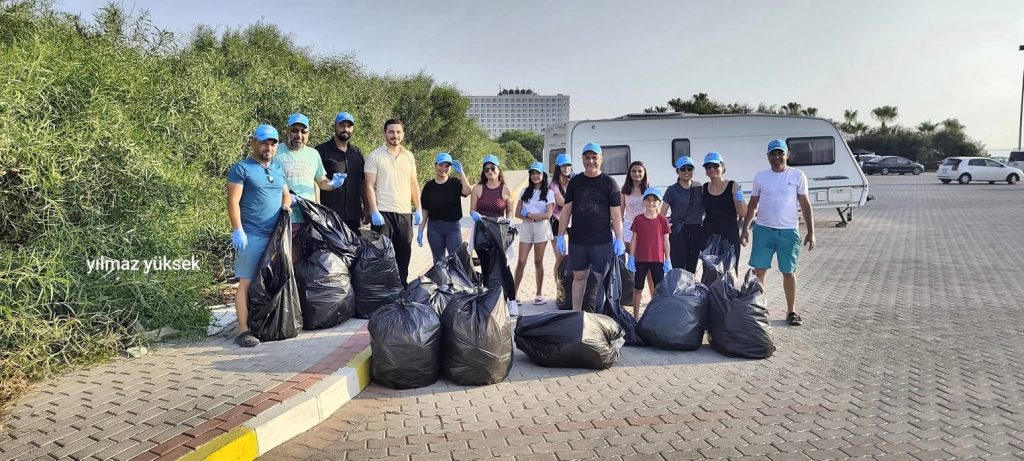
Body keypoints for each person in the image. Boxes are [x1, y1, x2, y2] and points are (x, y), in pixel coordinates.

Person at [226, 125, 291, 347]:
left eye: (273, 143)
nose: (268, 147)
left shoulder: (277, 168)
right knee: (246, 282)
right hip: (251, 235)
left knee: (271, 281)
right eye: (264, 142)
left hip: (275, 237)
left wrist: (286, 206)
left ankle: (265, 324)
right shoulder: (241, 169)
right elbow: (233, 201)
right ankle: (243, 330)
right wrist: (237, 229)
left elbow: (286, 195)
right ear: (254, 143)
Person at [740, 139, 816, 326]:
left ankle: (791, 311)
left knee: (788, 272)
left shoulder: (798, 175)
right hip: (763, 230)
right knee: (759, 271)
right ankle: (760, 309)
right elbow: (752, 205)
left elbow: (805, 205)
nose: (777, 157)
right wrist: (744, 230)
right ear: (768, 157)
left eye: (780, 153)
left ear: (787, 155)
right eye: (773, 154)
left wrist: (811, 232)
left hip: (789, 231)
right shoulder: (760, 177)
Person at [555, 143, 625, 312]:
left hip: (602, 241)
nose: (591, 161)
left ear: (601, 159)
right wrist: (560, 235)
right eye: (587, 157)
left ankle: (602, 314)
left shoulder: (610, 183)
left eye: (594, 157)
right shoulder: (575, 182)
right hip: (578, 240)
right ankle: (576, 313)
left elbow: (616, 214)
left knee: (603, 278)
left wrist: (620, 239)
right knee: (579, 276)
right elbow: (566, 210)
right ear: (582, 160)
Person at [276, 113, 345, 257]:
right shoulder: (276, 151)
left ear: (308, 134)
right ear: (287, 131)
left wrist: (332, 183)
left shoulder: (313, 154)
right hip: (283, 218)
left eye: (303, 132)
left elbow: (321, 182)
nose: (299, 135)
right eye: (294, 130)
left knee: (306, 260)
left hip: (308, 218)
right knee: (283, 260)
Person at [365, 118, 421, 284]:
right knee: (381, 257)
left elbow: (414, 183)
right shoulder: (375, 156)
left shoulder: (409, 156)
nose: (394, 135)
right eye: (391, 131)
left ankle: (401, 292)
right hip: (383, 214)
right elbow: (369, 185)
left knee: (404, 256)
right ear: (385, 134)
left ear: (402, 134)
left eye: (398, 132)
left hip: (404, 214)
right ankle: (382, 296)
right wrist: (373, 210)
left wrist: (418, 208)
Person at [470, 154, 518, 314]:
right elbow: (472, 209)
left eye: (493, 168)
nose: (490, 171)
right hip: (482, 230)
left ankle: (511, 300)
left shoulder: (506, 189)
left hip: (499, 230)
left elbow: (510, 210)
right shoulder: (478, 188)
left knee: (504, 266)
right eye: (486, 169)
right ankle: (489, 301)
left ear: (499, 170)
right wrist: (474, 215)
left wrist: (510, 220)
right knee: (486, 266)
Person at [315, 111, 367, 233]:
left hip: (353, 215)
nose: (345, 129)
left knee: (352, 250)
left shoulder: (357, 153)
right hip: (329, 216)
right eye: (342, 125)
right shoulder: (321, 151)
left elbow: (362, 181)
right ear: (335, 126)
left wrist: (367, 207)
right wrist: (317, 208)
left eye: (349, 126)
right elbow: (315, 182)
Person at [513, 162, 555, 305]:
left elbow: (548, 215)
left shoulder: (549, 193)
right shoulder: (524, 191)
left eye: (538, 173)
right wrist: (530, 216)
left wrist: (530, 214)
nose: (535, 176)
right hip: (526, 227)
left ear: (543, 175)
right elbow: (517, 213)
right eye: (533, 173)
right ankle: (514, 293)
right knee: (521, 261)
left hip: (541, 229)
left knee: (538, 261)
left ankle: (539, 293)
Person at [626, 188, 671, 318]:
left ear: (659, 203)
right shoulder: (638, 219)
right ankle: (635, 316)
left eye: (654, 200)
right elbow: (634, 238)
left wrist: (667, 259)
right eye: (648, 200)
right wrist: (631, 256)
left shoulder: (663, 220)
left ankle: (658, 315)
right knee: (638, 288)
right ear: (644, 202)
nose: (651, 203)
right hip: (641, 259)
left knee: (658, 289)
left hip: (657, 260)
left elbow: (666, 241)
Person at [418, 152, 471, 263]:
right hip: (434, 228)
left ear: (450, 168)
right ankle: (441, 281)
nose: (443, 168)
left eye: (447, 166)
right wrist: (420, 229)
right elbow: (425, 210)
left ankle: (456, 281)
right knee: (438, 262)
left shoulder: (455, 183)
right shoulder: (429, 186)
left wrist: (461, 173)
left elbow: (467, 191)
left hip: (452, 228)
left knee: (457, 261)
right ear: (435, 165)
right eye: (441, 165)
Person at [701, 152, 748, 273]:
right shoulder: (703, 188)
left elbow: (743, 212)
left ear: (722, 167)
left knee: (729, 273)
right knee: (710, 274)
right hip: (709, 237)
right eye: (708, 166)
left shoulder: (733, 186)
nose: (711, 169)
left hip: (730, 237)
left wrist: (739, 196)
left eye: (715, 166)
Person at [660, 156, 703, 273]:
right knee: (678, 267)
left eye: (690, 168)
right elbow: (662, 213)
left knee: (692, 266)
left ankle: (690, 290)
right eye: (683, 169)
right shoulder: (672, 189)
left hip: (696, 230)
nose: (686, 171)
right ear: (677, 171)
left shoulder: (699, 187)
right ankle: (678, 291)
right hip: (679, 231)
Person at [621, 160, 655, 303]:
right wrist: (618, 232)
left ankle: (654, 298)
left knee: (649, 267)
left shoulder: (648, 188)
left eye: (640, 171)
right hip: (629, 229)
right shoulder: (624, 190)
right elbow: (621, 211)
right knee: (633, 264)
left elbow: (655, 210)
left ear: (644, 173)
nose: (637, 174)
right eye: (634, 171)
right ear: (630, 173)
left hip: (646, 229)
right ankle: (633, 298)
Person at [549, 153, 573, 282]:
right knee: (560, 257)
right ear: (558, 167)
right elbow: (561, 202)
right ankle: (558, 285)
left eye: (568, 165)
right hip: (556, 222)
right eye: (563, 165)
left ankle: (569, 284)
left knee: (575, 255)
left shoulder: (573, 181)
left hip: (572, 222)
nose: (566, 168)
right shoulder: (554, 185)